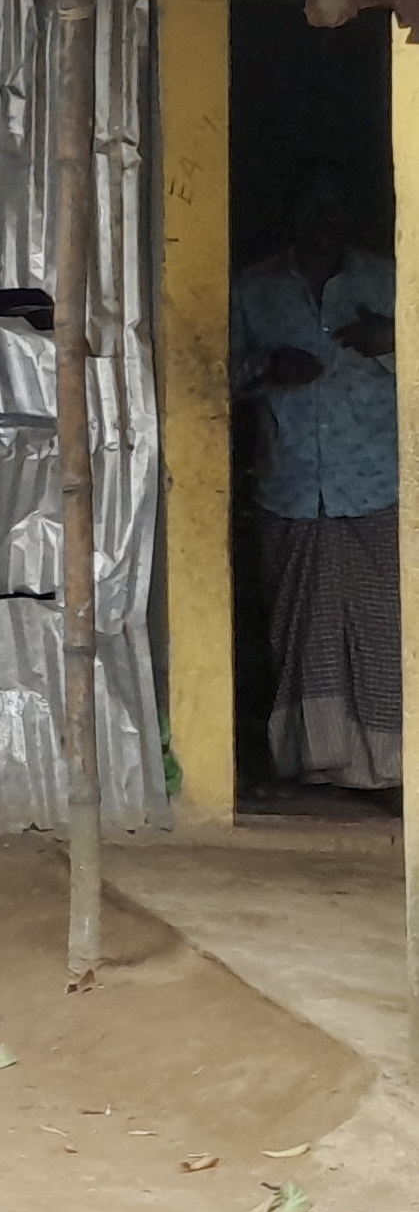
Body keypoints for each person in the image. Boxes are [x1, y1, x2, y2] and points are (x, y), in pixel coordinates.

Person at [231, 163, 399, 790]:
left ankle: (388, 770)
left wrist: (391, 337)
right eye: (312, 209)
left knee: (384, 630)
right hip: (292, 486)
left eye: (335, 209)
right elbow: (205, 372)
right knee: (302, 633)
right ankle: (317, 762)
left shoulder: (389, 279)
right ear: (293, 217)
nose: (324, 222)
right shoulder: (255, 289)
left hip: (378, 483)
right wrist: (266, 363)